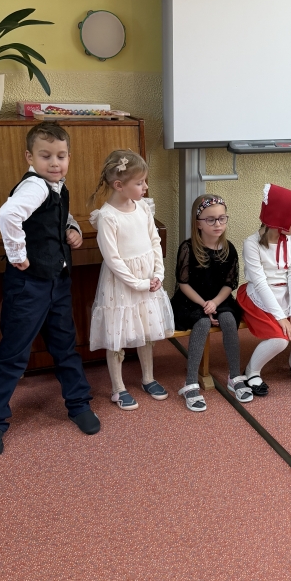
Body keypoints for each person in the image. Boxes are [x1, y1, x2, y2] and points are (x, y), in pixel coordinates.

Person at [0, 122, 100, 454]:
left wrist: (72, 228)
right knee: (14, 354)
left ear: (69, 156)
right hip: (29, 286)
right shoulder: (34, 186)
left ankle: (78, 404)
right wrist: (17, 254)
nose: (55, 163)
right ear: (29, 157)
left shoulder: (56, 185)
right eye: (46, 156)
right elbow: (8, 216)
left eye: (61, 156)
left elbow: (57, 216)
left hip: (56, 283)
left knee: (65, 346)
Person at [88, 150, 174, 409]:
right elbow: (113, 259)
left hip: (148, 279)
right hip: (122, 284)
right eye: (140, 182)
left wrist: (158, 274)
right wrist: (138, 283)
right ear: (119, 185)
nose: (145, 187)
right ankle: (118, 388)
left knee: (146, 330)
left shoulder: (143, 207)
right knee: (118, 335)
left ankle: (148, 378)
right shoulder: (107, 217)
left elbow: (155, 241)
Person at [172, 195, 252, 412]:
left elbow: (229, 284)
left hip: (219, 299)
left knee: (228, 320)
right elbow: (183, 283)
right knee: (202, 323)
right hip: (191, 300)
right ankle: (191, 383)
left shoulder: (229, 249)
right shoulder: (188, 248)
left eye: (222, 218)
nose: (218, 224)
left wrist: (214, 303)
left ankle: (234, 377)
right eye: (210, 219)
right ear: (198, 223)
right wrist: (204, 304)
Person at [237, 184, 291, 396]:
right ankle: (252, 370)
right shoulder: (251, 244)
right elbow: (260, 283)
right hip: (260, 297)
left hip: (287, 296)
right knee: (279, 340)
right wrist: (281, 318)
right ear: (279, 218)